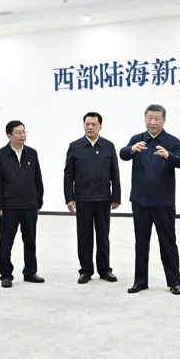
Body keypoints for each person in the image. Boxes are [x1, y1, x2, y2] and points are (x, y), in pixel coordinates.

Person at [120, 104, 180, 295]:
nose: (152, 122)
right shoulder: (137, 139)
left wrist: (168, 155)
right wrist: (132, 149)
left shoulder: (172, 141)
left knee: (168, 242)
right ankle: (140, 281)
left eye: (157, 118)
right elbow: (123, 154)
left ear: (164, 120)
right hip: (140, 201)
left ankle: (174, 282)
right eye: (149, 118)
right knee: (141, 242)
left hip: (164, 201)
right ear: (144, 118)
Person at [64, 112, 121, 284]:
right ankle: (86, 270)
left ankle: (105, 270)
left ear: (100, 126)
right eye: (87, 124)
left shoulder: (108, 146)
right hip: (83, 199)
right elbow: (68, 174)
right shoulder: (75, 146)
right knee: (84, 236)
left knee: (103, 235)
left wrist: (116, 197)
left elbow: (115, 173)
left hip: (103, 198)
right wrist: (69, 197)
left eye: (93, 124)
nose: (90, 127)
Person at [0, 120, 44, 288]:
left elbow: (37, 179)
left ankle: (30, 272)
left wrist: (38, 201)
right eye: (18, 132)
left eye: (24, 132)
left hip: (29, 205)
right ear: (9, 135)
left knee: (30, 241)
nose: (22, 135)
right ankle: (6, 275)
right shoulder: (0, 155)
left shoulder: (32, 153)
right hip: (9, 207)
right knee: (6, 243)